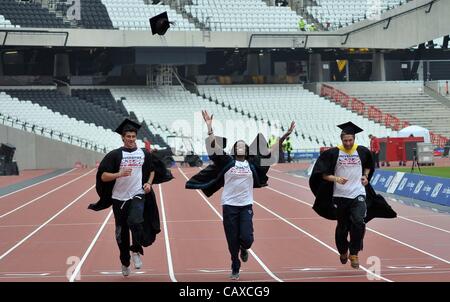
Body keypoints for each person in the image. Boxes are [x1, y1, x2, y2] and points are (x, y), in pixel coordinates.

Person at [186, 110, 295, 280]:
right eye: (239, 145)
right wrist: (209, 127)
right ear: (235, 149)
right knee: (232, 239)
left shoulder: (252, 164)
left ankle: (245, 248)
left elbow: (270, 150)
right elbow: (214, 147)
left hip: (245, 206)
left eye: (244, 145)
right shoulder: (228, 162)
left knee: (247, 239)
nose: (242, 146)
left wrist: (285, 136)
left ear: (247, 150)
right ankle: (235, 264)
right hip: (229, 205)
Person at [88, 118, 173, 277]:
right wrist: (119, 174)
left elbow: (152, 170)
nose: (131, 139)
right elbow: (103, 176)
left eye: (134, 137)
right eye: (128, 137)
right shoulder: (114, 155)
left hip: (137, 194)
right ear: (123, 137)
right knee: (121, 234)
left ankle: (136, 251)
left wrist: (148, 183)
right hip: (119, 199)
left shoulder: (144, 154)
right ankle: (125, 261)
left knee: (135, 221)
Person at [309, 122, 396, 269]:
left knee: (358, 221)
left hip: (358, 193)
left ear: (354, 139)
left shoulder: (361, 151)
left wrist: (365, 176)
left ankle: (354, 253)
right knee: (342, 227)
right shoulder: (333, 153)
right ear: (341, 139)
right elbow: (322, 174)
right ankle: (343, 251)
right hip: (340, 196)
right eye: (345, 141)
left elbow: (368, 165)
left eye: (350, 140)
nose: (348, 143)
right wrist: (336, 179)